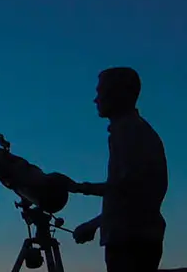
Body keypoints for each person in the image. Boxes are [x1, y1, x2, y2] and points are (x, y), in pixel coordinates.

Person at [68, 67, 169, 272]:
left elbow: (127, 189)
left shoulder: (129, 132)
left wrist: (80, 190)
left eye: (101, 92)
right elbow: (128, 193)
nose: (96, 100)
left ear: (120, 93)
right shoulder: (133, 130)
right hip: (136, 237)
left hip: (131, 240)